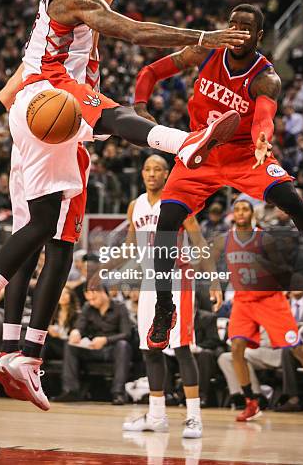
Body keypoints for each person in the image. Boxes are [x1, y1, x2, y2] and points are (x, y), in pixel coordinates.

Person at [0, 0, 246, 410]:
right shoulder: (67, 2)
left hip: (61, 124)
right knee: (105, 119)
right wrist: (203, 37)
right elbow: (130, 30)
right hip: (46, 102)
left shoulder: (86, 0)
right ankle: (186, 142)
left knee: (54, 234)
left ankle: (19, 352)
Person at [133, 3, 303, 354]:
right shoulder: (206, 50)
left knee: (293, 202)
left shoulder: (265, 76)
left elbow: (264, 114)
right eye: (234, 24)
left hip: (246, 154)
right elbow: (150, 73)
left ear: (259, 36)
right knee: (166, 223)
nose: (239, 31)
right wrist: (139, 105)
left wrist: (262, 136)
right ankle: (164, 307)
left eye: (247, 27)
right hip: (202, 149)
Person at [90, 155, 221, 437]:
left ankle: (194, 417)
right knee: (151, 349)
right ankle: (157, 415)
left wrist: (213, 279)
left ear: (166, 174)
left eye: (158, 169)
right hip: (149, 282)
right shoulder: (135, 206)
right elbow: (129, 248)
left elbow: (199, 243)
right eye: (147, 169)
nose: (152, 173)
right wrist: (101, 270)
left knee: (183, 347)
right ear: (142, 173)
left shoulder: (178, 203)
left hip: (177, 279)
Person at [208, 199, 303, 423]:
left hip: (270, 300)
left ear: (252, 214)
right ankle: (251, 402)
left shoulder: (264, 239)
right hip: (243, 302)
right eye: (236, 209)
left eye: (244, 209)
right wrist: (214, 284)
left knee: (297, 349)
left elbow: (284, 271)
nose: (240, 212)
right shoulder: (225, 240)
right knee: (236, 347)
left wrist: (262, 265)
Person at [54, 285, 133, 406]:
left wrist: (106, 340)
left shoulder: (120, 308)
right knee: (70, 345)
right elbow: (80, 326)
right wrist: (76, 332)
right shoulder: (88, 307)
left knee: (123, 345)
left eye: (94, 299)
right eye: (88, 299)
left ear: (102, 293)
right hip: (92, 348)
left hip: (112, 349)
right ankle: (71, 390)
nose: (91, 302)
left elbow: (127, 334)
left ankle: (118, 393)